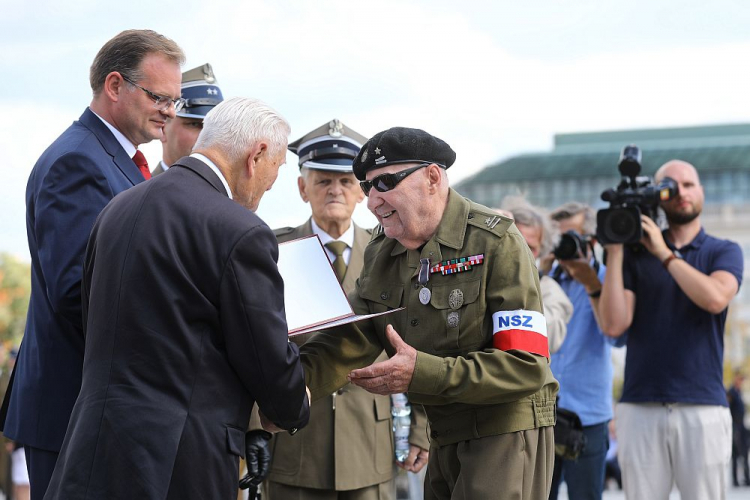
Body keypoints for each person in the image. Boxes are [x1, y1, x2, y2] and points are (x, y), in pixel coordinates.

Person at [45, 97, 311, 499]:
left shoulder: (116, 211)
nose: (267, 188)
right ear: (256, 155)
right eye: (274, 171)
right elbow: (265, 357)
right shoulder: (241, 230)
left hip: (91, 451)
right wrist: (294, 403)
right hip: (179, 463)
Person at [293, 127, 558, 500]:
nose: (372, 201)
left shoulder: (497, 243)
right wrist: (289, 390)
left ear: (432, 178)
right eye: (367, 187)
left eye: (385, 182)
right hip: (444, 432)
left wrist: (421, 372)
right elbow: (352, 338)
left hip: (504, 433)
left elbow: (526, 366)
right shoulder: (385, 249)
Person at [0, 29, 184, 500]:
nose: (169, 111)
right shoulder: (78, 162)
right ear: (115, 85)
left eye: (174, 101)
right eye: (159, 97)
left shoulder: (111, 159)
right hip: (74, 414)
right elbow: (78, 293)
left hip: (98, 412)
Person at [255, 119, 427, 500]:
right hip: (297, 443)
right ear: (303, 188)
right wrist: (256, 426)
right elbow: (253, 343)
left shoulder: (391, 254)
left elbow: (419, 341)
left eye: (346, 182)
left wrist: (421, 429)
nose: (335, 191)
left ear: (362, 192)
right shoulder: (272, 252)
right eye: (323, 181)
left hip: (368, 444)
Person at [599, 160, 744, 500]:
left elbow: (715, 298)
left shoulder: (722, 250)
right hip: (639, 406)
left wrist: (664, 253)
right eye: (672, 186)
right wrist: (616, 252)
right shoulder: (636, 255)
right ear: (658, 196)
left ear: (702, 192)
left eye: (689, 184)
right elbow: (614, 325)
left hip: (703, 406)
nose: (682, 193)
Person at [544, 202, 614, 500]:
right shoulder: (543, 280)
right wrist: (537, 269)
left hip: (588, 416)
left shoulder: (609, 280)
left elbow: (616, 336)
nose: (567, 246)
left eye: (574, 238)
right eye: (560, 240)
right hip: (543, 413)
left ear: (592, 242)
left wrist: (592, 284)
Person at [497, 199, 573, 354]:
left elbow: (546, 339)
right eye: (514, 241)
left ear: (542, 251)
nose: (519, 251)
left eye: (529, 246)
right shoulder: (478, 276)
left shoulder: (549, 290)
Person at [154, 63, 224, 176]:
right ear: (163, 128)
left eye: (215, 127)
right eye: (194, 124)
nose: (207, 135)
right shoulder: (137, 191)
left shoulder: (228, 193)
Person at [728, 371, 750, 487]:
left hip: (741, 427)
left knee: (743, 454)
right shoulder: (731, 392)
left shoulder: (738, 392)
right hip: (735, 428)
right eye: (740, 379)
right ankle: (736, 480)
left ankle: (746, 478)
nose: (741, 382)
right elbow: (729, 411)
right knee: (737, 454)